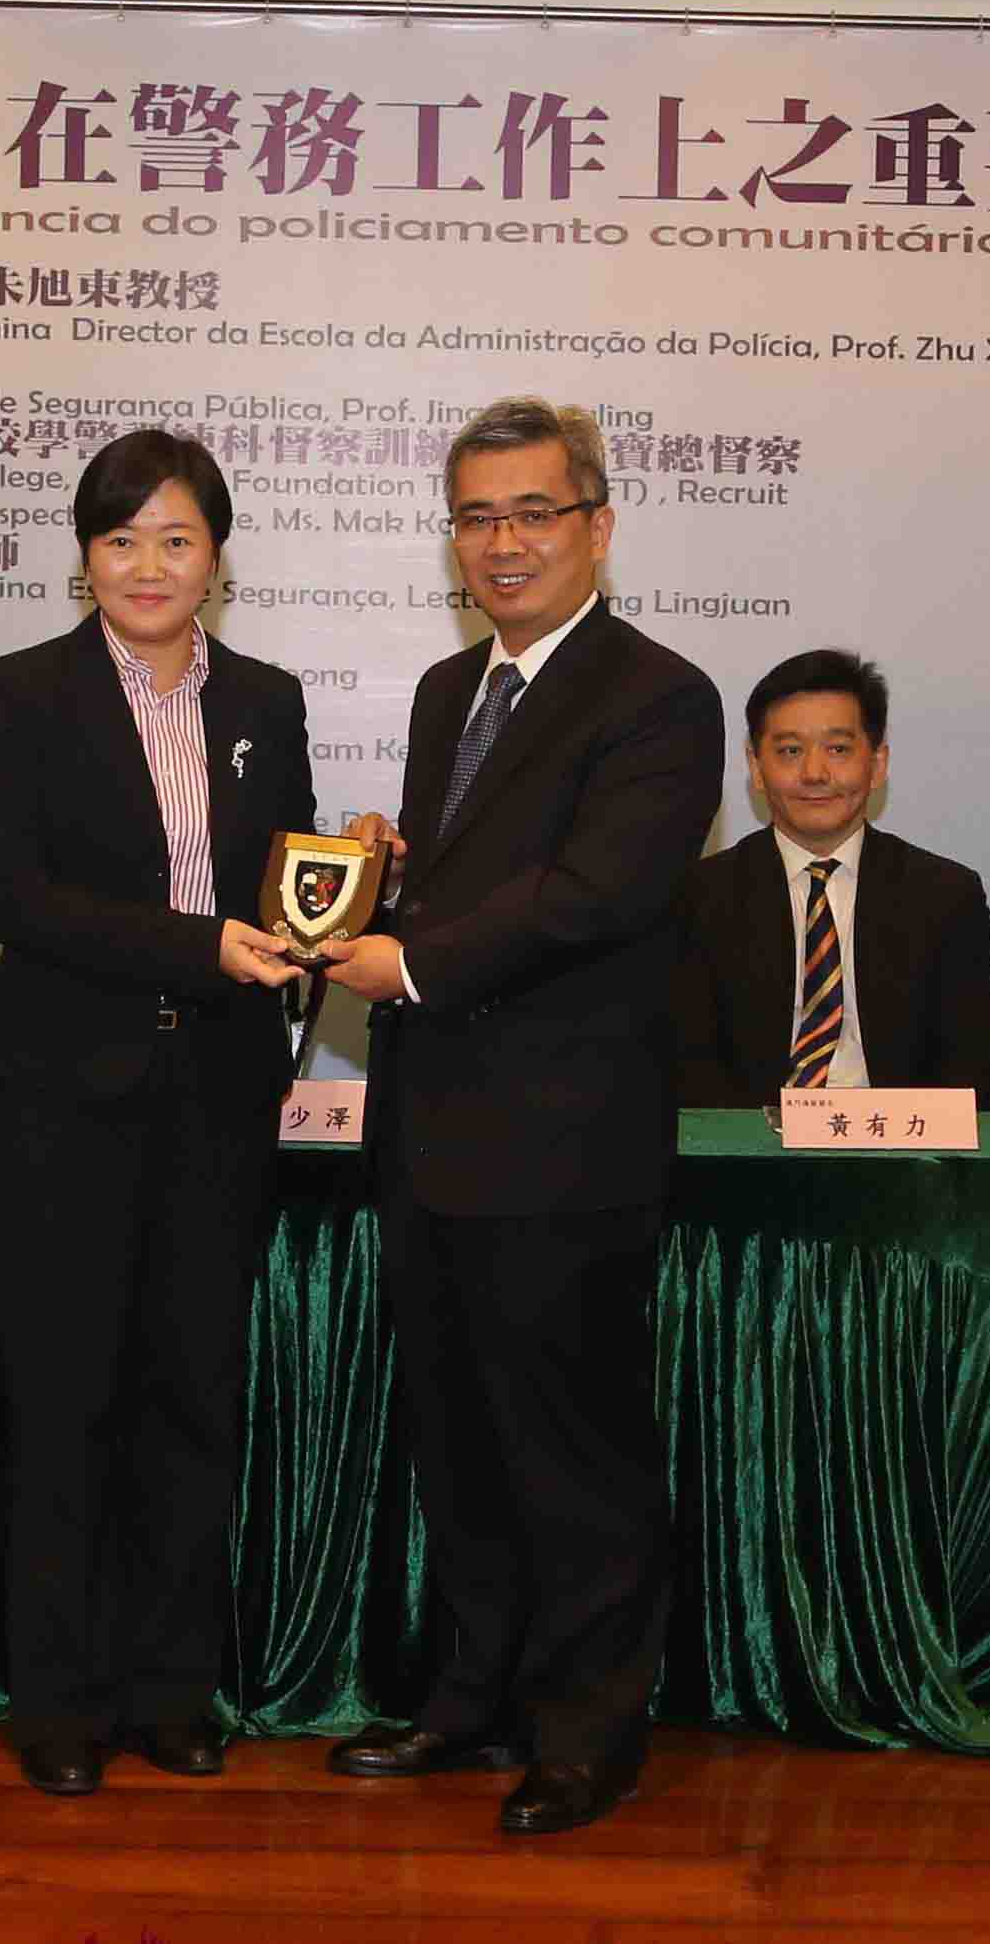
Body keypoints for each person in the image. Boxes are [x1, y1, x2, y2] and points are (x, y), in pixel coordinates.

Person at [313, 397, 724, 1838]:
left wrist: (411, 957)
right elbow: (489, 878)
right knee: (461, 1444)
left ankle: (589, 1732)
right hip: (432, 1133)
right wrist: (390, 879)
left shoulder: (660, 695)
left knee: (575, 1452)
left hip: (565, 1145)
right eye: (477, 516)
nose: (503, 542)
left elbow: (596, 895)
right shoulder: (449, 691)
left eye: (533, 513)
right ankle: (470, 1699)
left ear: (596, 527)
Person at [0, 429, 335, 1797]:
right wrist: (198, 946)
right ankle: (58, 1702)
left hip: (218, 1097)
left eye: (176, 539)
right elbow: (18, 899)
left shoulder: (266, 703)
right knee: (67, 1399)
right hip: (71, 1094)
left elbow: (287, 889)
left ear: (215, 558)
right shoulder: (26, 692)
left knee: (193, 1396)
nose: (148, 565)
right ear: (86, 558)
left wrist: (351, 878)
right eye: (121, 540)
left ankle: (172, 1690)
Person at [669, 650, 990, 1108]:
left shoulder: (945, 896)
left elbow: (970, 1075)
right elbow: (688, 1073)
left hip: (898, 1143)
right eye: (790, 751)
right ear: (756, 768)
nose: (814, 773)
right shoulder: (701, 896)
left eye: (838, 749)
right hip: (753, 1145)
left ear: (877, 764)